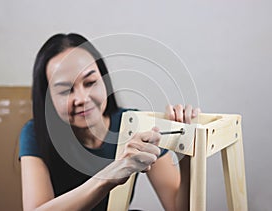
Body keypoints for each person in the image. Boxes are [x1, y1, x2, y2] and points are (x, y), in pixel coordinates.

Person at [19, 33, 200, 211]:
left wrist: (184, 152)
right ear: (48, 99)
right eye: (66, 90)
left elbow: (178, 208)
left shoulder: (136, 125)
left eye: (90, 82)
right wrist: (109, 176)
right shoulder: (35, 133)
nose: (82, 98)